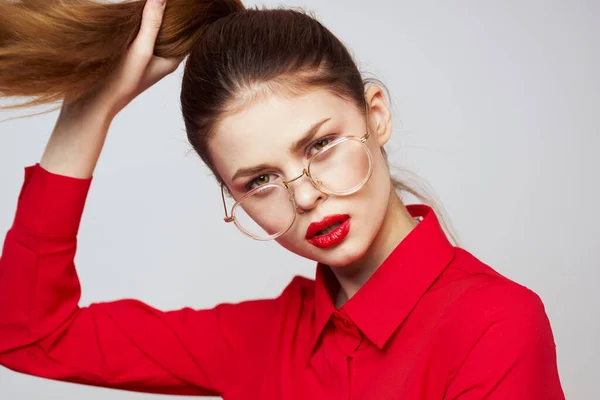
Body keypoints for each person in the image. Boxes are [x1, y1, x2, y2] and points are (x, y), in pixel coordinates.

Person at [0, 0, 565, 398]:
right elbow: (28, 334)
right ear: (233, 198)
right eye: (260, 180)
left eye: (320, 145)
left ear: (376, 116)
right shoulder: (258, 341)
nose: (306, 195)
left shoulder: (494, 325)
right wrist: (87, 114)